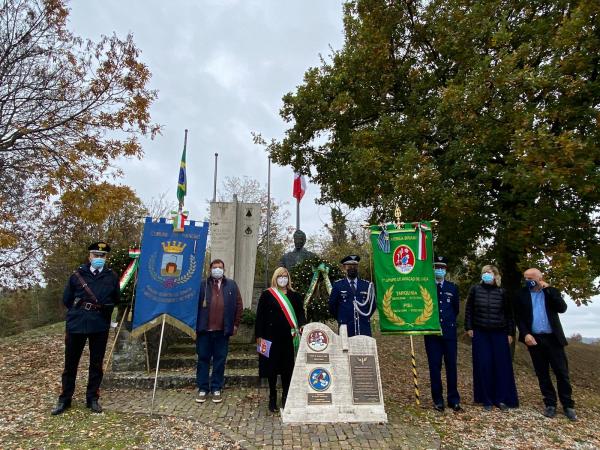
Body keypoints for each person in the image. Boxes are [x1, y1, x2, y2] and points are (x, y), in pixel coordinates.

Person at [51, 242, 120, 415]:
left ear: (106, 258)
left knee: (96, 364)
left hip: (99, 324)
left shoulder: (111, 276)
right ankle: (65, 398)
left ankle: (92, 398)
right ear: (89, 256)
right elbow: (67, 300)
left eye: (102, 256)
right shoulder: (77, 275)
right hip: (77, 323)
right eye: (95, 255)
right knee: (70, 363)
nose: (98, 258)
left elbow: (116, 298)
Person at [516, 268, 576, 421]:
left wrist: (549, 289)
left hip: (553, 339)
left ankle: (568, 405)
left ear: (539, 277)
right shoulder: (521, 294)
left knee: (561, 373)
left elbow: (562, 308)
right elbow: (519, 317)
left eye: (530, 277)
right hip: (534, 339)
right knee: (542, 373)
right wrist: (526, 334)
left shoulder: (551, 291)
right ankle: (550, 404)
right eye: (525, 278)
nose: (528, 280)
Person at [465, 264, 518, 411]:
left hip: (499, 333)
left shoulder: (502, 292)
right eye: (484, 272)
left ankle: (500, 399)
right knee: (484, 365)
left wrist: (510, 333)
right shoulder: (475, 290)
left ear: (496, 275)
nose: (486, 275)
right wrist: (469, 327)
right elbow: (469, 310)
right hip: (480, 332)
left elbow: (509, 315)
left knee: (501, 366)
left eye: (489, 272)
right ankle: (486, 399)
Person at [255, 267, 306, 412]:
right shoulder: (267, 294)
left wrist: (302, 325)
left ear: (288, 278)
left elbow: (300, 313)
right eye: (280, 276)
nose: (283, 278)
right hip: (270, 337)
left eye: (285, 276)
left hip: (289, 338)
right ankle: (272, 396)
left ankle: (285, 396)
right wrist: (258, 336)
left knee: (287, 368)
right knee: (271, 368)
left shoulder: (295, 295)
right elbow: (260, 316)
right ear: (275, 278)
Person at [195, 259, 243, 404]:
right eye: (215, 267)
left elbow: (239, 305)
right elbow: (194, 306)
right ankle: (203, 388)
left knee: (220, 361)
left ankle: (216, 387)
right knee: (203, 359)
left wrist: (235, 324)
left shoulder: (232, 285)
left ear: (224, 269)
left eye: (220, 267)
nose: (217, 270)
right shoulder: (202, 285)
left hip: (222, 331)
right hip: (204, 330)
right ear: (210, 269)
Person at [424, 256, 461, 412]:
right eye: (436, 267)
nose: (439, 270)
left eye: (442, 268)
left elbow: (455, 309)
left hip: (449, 333)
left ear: (445, 270)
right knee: (434, 367)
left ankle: (454, 399)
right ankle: (437, 400)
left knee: (451, 366)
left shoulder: (452, 288)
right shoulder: (426, 287)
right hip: (432, 333)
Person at [328, 255, 376, 337]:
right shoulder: (338, 285)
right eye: (349, 266)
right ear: (344, 268)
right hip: (346, 327)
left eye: (355, 266)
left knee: (364, 349)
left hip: (363, 326)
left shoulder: (366, 285)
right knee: (347, 349)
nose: (352, 269)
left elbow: (372, 305)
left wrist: (364, 317)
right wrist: (341, 318)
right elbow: (332, 306)